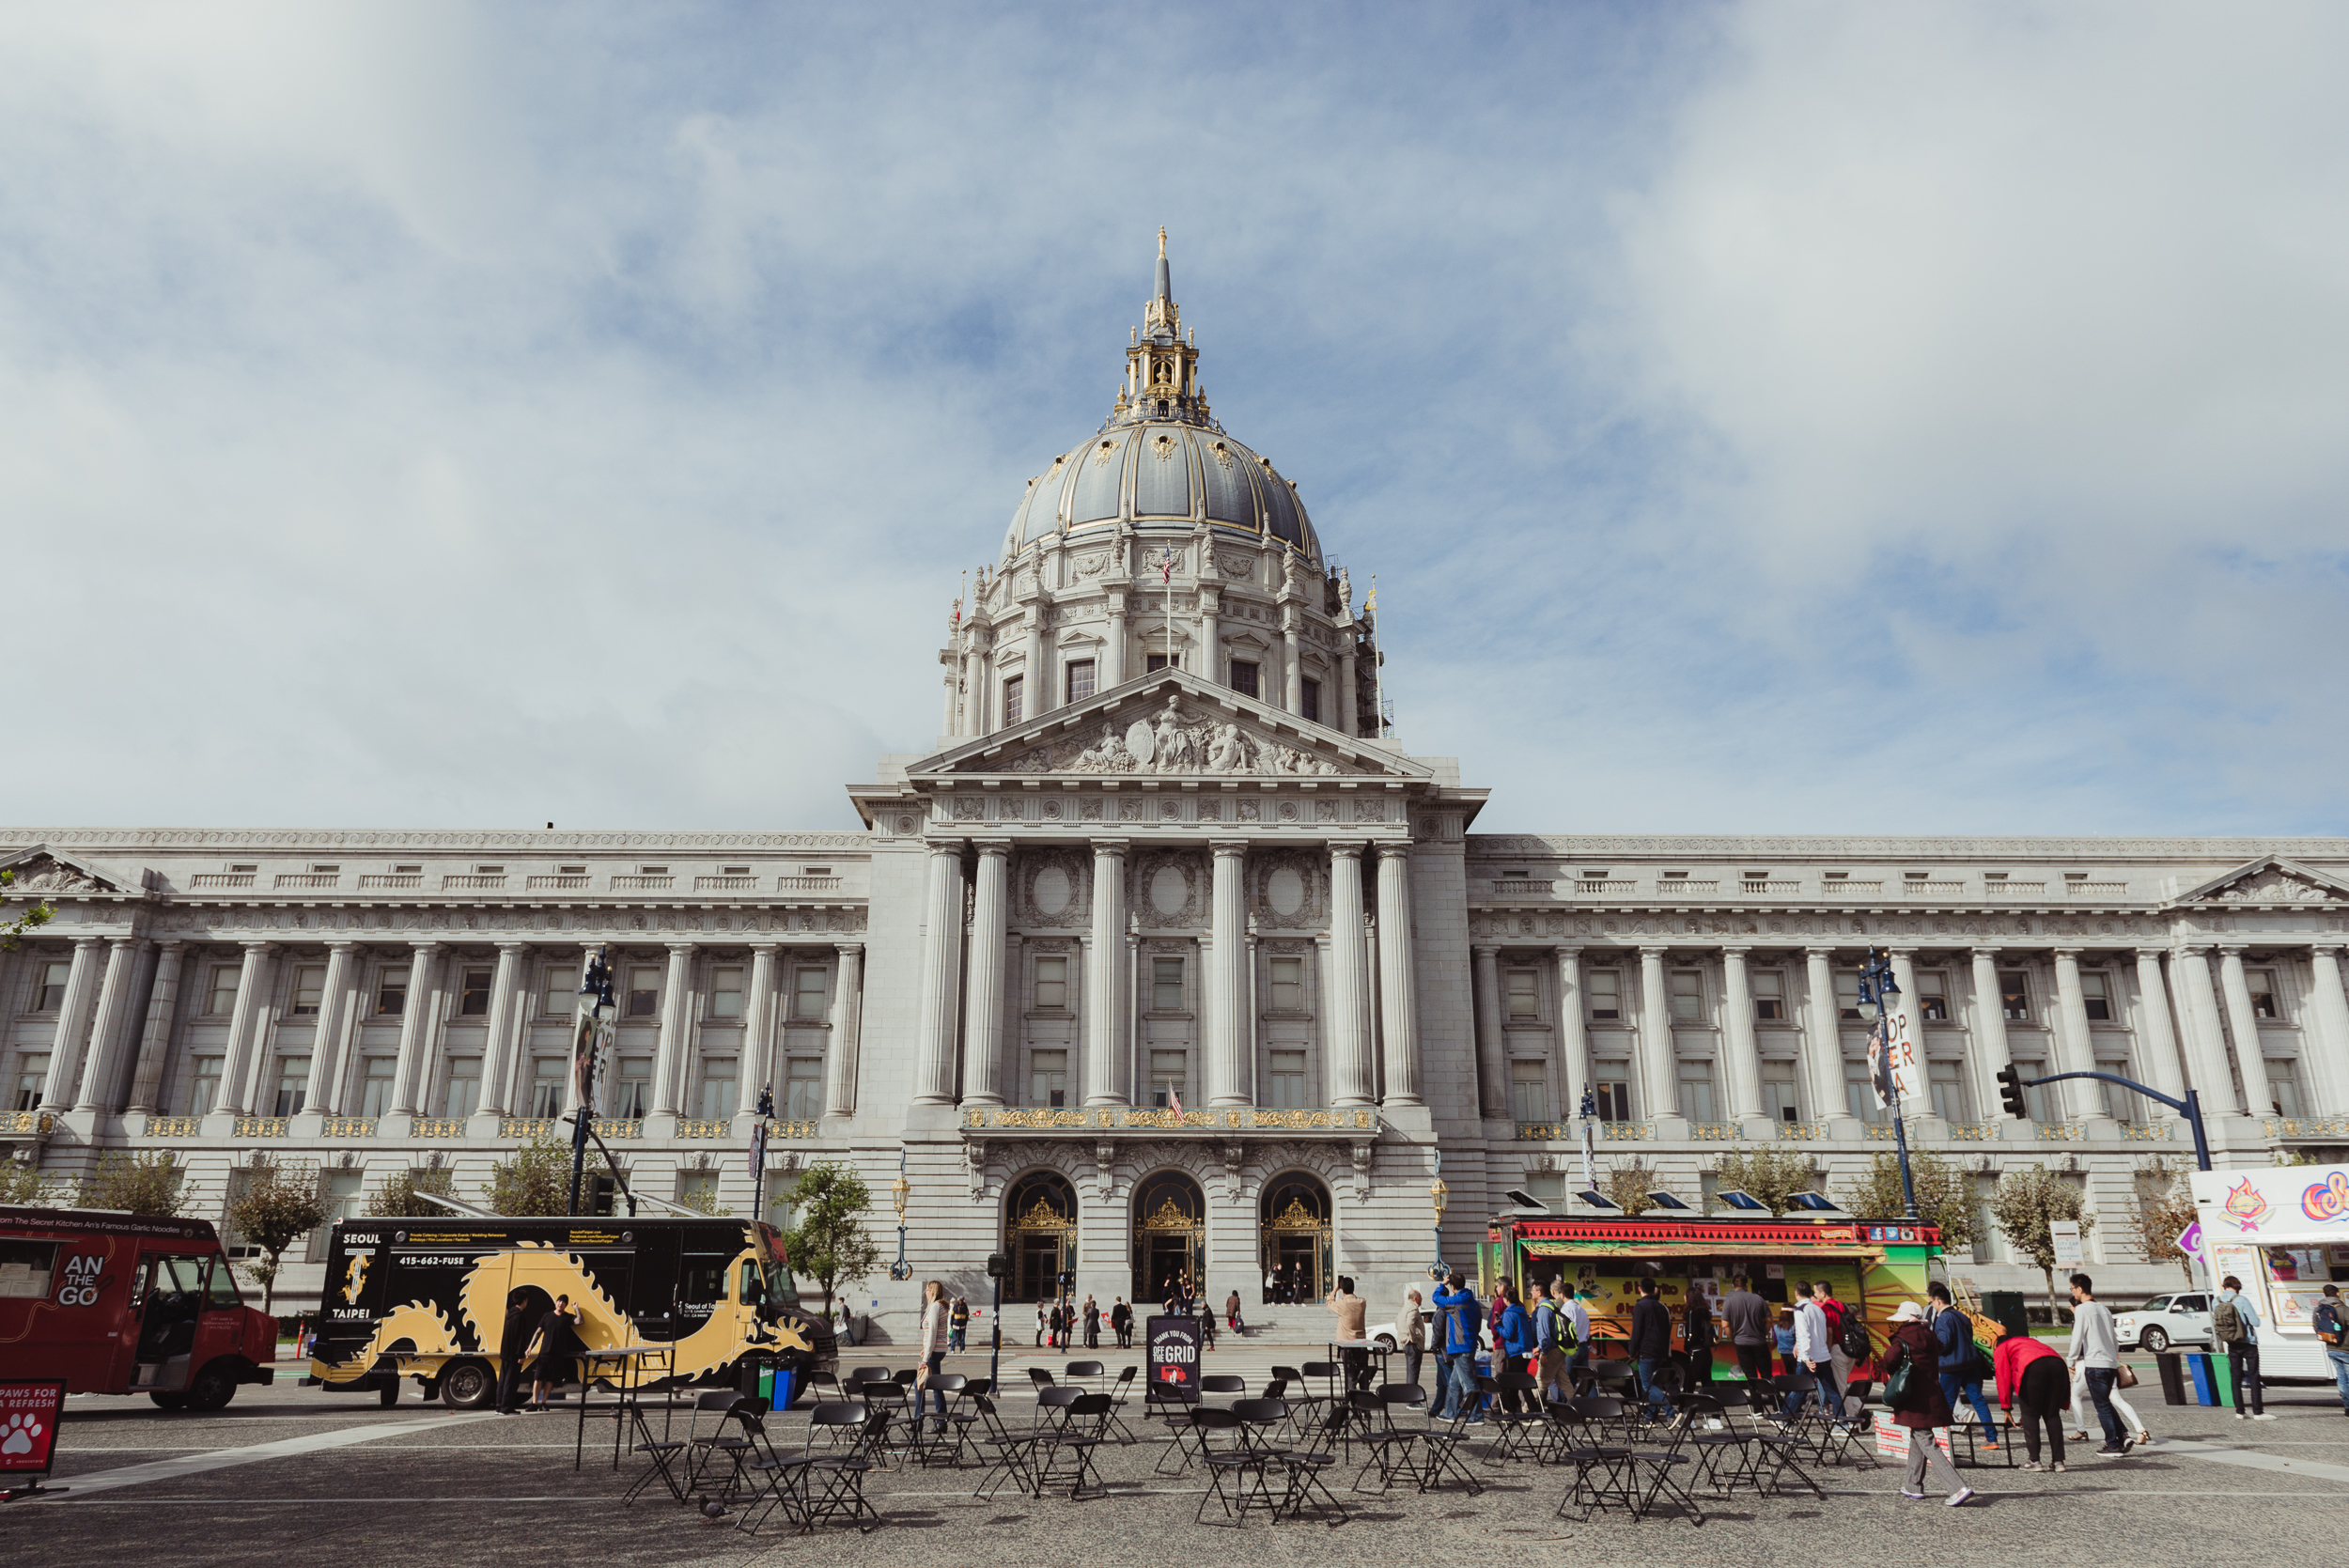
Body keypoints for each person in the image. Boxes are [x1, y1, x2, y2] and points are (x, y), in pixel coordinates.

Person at [1881, 1301, 1973, 1506]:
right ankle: (1913, 1485)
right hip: (1931, 1391)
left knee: (1925, 1439)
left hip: (1912, 1395)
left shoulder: (1902, 1338)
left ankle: (1957, 1488)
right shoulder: (1930, 1335)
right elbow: (1940, 1348)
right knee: (1918, 1435)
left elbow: (1888, 1360)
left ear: (1904, 1320)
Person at [2065, 1273, 2132, 1456]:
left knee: (2101, 1405)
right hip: (2110, 1362)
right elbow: (2114, 1339)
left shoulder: (2082, 1310)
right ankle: (2122, 1435)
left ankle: (2113, 1444)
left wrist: (2070, 1361)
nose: (2072, 1292)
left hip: (2095, 1363)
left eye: (2072, 1289)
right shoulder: (2104, 1309)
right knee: (2106, 1402)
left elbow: (2076, 1337)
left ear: (2079, 1289)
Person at [1927, 1282, 1997, 1449]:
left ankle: (1939, 1442)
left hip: (1951, 1366)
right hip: (1971, 1363)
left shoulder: (1943, 1318)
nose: (1931, 1305)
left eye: (1931, 1302)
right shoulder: (1962, 1315)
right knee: (1978, 1400)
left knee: (1946, 1404)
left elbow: (1944, 1342)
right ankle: (1992, 1437)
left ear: (1937, 1301)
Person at [1995, 1323, 2070, 1470]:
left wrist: (2006, 1408)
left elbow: (2003, 1377)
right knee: (2052, 1415)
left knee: (2030, 1415)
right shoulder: (2027, 1341)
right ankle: (2058, 1461)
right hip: (2058, 1363)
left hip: (2032, 1367)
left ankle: (2034, 1461)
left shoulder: (2001, 1348)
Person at [2213, 1275, 2274, 1421]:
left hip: (2231, 1342)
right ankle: (2258, 1412)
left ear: (2225, 1286)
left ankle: (2240, 1411)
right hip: (2248, 1342)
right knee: (2253, 1376)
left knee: (2235, 1377)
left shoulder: (2216, 1301)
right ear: (2238, 1287)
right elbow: (2255, 1322)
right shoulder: (2242, 1300)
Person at [1430, 1270, 1483, 1423]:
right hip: (1470, 1344)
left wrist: (1441, 1284)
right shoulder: (1474, 1303)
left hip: (1460, 1347)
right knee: (1454, 1383)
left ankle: (1476, 1416)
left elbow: (1436, 1298)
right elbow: (1478, 1325)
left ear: (1453, 1286)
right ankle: (1451, 1413)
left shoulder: (1456, 1301)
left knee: (1468, 1384)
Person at [1782, 1281, 1835, 1424]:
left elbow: (1803, 1335)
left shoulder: (1800, 1310)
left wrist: (1804, 1357)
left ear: (1796, 1293)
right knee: (1832, 1391)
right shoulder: (1818, 1309)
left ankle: (1786, 1419)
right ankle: (1842, 1422)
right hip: (1823, 1355)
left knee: (1799, 1389)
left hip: (1809, 1357)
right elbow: (1823, 1334)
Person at [1720, 1274, 1773, 1408]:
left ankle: (1757, 1408)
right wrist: (1764, 1333)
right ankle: (1776, 1405)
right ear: (1746, 1285)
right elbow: (1769, 1320)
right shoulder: (1758, 1299)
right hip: (1760, 1342)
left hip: (1741, 1343)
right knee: (1766, 1374)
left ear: (1733, 1286)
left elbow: (1725, 1325)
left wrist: (1734, 1338)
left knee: (1751, 1376)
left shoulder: (1729, 1301)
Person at [1626, 1277, 1674, 1421]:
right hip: (1660, 1351)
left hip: (1646, 1351)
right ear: (1655, 1289)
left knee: (1647, 1385)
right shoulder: (1662, 1307)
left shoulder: (1641, 1306)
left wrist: (1631, 1350)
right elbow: (1667, 1331)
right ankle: (1649, 1416)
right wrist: (1666, 1352)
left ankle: (1671, 1412)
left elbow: (1637, 1331)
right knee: (1653, 1384)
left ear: (1639, 1289)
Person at [528, 1293, 584, 1411]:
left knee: (550, 1380)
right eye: (559, 1301)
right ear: (556, 1303)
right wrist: (529, 1348)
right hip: (544, 1352)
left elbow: (580, 1321)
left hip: (557, 1354)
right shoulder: (547, 1316)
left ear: (565, 1305)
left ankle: (543, 1403)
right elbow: (538, 1332)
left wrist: (576, 1308)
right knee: (537, 1378)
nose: (561, 1303)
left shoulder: (567, 1317)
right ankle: (534, 1403)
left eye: (563, 1302)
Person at [1813, 1277, 1856, 1415]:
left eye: (1816, 1292)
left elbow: (1830, 1332)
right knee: (1843, 1385)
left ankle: (1854, 1418)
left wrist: (1828, 1350)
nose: (1815, 1295)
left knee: (1840, 1388)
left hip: (1837, 1349)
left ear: (1823, 1293)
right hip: (1849, 1349)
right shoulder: (1842, 1305)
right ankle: (1857, 1413)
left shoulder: (1826, 1308)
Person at [1494, 1281, 1537, 1415]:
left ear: (1506, 1299)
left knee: (1520, 1381)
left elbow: (1508, 1333)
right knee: (1513, 1379)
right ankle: (1511, 1406)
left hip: (1515, 1350)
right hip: (1525, 1348)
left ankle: (1534, 1409)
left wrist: (1498, 1326)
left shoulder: (1509, 1313)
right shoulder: (1521, 1310)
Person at [916, 1279, 952, 1434]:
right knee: (930, 1385)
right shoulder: (940, 1306)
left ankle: (925, 1421)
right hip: (936, 1350)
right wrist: (926, 1349)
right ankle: (936, 1421)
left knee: (923, 1385)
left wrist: (925, 1357)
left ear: (933, 1291)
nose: (925, 1292)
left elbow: (933, 1332)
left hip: (934, 1351)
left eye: (928, 1289)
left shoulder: (935, 1306)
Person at [493, 1291, 535, 1415]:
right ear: (524, 1301)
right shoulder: (519, 1316)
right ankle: (506, 1407)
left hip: (505, 1352)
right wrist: (521, 1355)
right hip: (513, 1354)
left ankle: (499, 1406)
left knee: (502, 1381)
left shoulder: (509, 1314)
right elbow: (520, 1338)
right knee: (510, 1382)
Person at [1330, 1274, 1371, 1391]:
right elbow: (1356, 1299)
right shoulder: (1362, 1302)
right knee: (1363, 1376)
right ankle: (1365, 1404)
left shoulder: (1341, 1304)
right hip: (1361, 1344)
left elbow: (1329, 1301)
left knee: (1350, 1375)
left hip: (1346, 1344)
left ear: (1342, 1291)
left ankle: (1352, 1400)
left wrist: (1335, 1289)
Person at [2313, 1283, 2349, 1417]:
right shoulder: (2344, 1309)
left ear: (2324, 1294)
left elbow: (2316, 1327)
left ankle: (2347, 1406)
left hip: (2331, 1348)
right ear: (2338, 1294)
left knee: (2341, 1378)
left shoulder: (2318, 1309)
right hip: (2346, 1349)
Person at [1682, 1284, 1718, 1390]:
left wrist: (1687, 1346)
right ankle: (1712, 1403)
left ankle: (1687, 1403)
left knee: (1689, 1380)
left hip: (1696, 1351)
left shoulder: (1691, 1313)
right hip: (1706, 1350)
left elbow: (1692, 1334)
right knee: (1706, 1379)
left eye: (1685, 1295)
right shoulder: (1704, 1312)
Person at [1397, 1287, 1428, 1397]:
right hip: (1413, 1345)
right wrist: (1414, 1338)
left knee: (1410, 1371)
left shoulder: (1404, 1308)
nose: (1421, 1300)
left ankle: (1409, 1397)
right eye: (1420, 1298)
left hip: (1406, 1344)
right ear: (1415, 1299)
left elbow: (1397, 1322)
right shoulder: (1413, 1309)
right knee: (1413, 1373)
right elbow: (1410, 1323)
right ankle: (1411, 1399)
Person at [1773, 1309, 1797, 1377]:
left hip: (1783, 1352)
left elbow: (1775, 1340)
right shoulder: (1794, 1326)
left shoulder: (1776, 1327)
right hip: (1794, 1352)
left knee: (1788, 1371)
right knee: (1796, 1370)